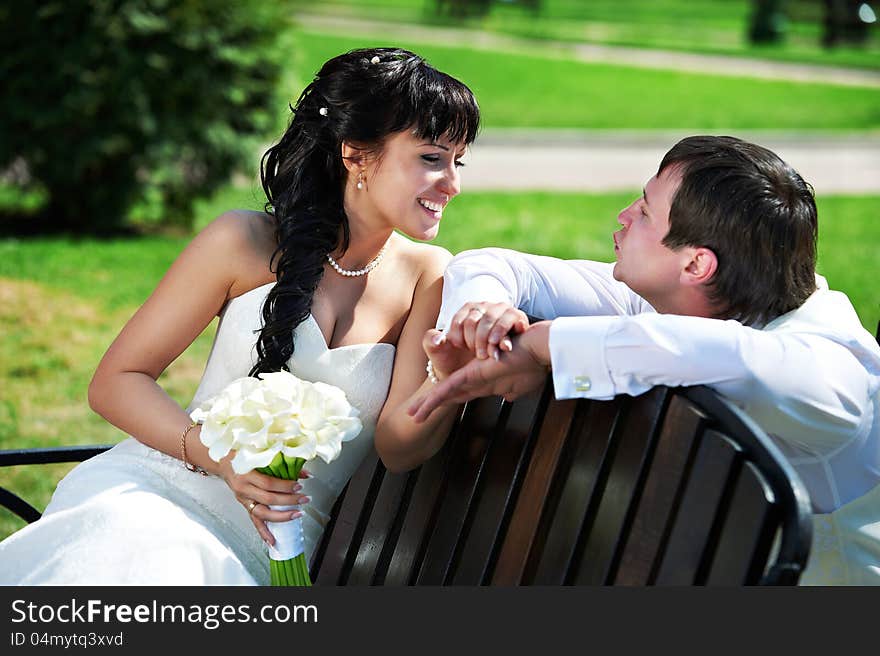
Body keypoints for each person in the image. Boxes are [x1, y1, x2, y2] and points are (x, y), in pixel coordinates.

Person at [0, 47, 479, 585]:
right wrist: (221, 459)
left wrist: (447, 378)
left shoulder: (428, 275)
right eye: (433, 158)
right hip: (154, 495)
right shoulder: (243, 241)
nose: (453, 184)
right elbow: (116, 381)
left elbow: (397, 447)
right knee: (147, 556)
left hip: (270, 555)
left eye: (459, 162)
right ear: (356, 155)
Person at [411, 136, 880, 586]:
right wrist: (480, 332)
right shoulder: (680, 302)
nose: (624, 214)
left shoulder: (831, 369)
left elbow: (731, 357)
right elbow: (489, 265)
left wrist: (541, 345)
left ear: (696, 265)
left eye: (645, 212)